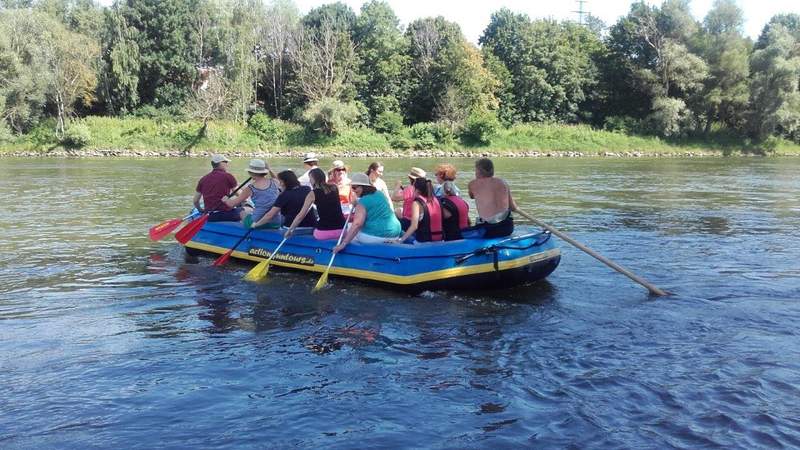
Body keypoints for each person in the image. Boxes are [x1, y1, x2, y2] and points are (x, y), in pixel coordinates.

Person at [333, 173, 402, 253]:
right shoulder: (379, 193)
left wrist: (343, 243)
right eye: (352, 188)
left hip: (380, 237)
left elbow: (357, 224)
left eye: (355, 187)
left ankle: (354, 252)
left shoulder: (362, 202)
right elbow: (371, 203)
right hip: (396, 232)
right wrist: (357, 203)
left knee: (350, 227)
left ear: (363, 187)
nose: (353, 190)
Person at [285, 168, 346, 240]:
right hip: (342, 231)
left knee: (315, 229)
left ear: (314, 179)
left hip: (324, 233)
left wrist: (290, 230)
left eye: (310, 178)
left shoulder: (312, 193)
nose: (310, 181)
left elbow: (301, 215)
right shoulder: (334, 188)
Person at [223, 159, 281, 228]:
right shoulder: (274, 182)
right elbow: (277, 179)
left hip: (257, 223)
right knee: (251, 210)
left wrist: (226, 200)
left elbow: (232, 204)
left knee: (242, 212)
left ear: (250, 173)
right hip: (276, 223)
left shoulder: (250, 188)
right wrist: (269, 169)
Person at [467, 158, 517, 238]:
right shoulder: (502, 182)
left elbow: (471, 196)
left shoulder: (472, 184)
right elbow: (513, 207)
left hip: (488, 230)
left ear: (478, 171)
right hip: (506, 227)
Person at [252, 170, 318, 230]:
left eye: (280, 182)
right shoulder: (307, 189)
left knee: (277, 218)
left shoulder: (284, 195)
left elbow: (270, 215)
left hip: (291, 227)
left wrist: (256, 224)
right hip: (311, 225)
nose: (280, 184)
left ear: (283, 182)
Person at [193, 154, 242, 222]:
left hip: (210, 216)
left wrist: (201, 210)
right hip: (226, 215)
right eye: (226, 162)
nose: (227, 164)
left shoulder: (203, 179)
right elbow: (240, 194)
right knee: (246, 209)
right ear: (221, 163)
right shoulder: (228, 176)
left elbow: (195, 201)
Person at [396, 177, 443, 243]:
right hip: (440, 239)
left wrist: (400, 240)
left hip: (423, 241)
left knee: (399, 230)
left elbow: (414, 226)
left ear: (417, 190)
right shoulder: (436, 200)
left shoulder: (417, 203)